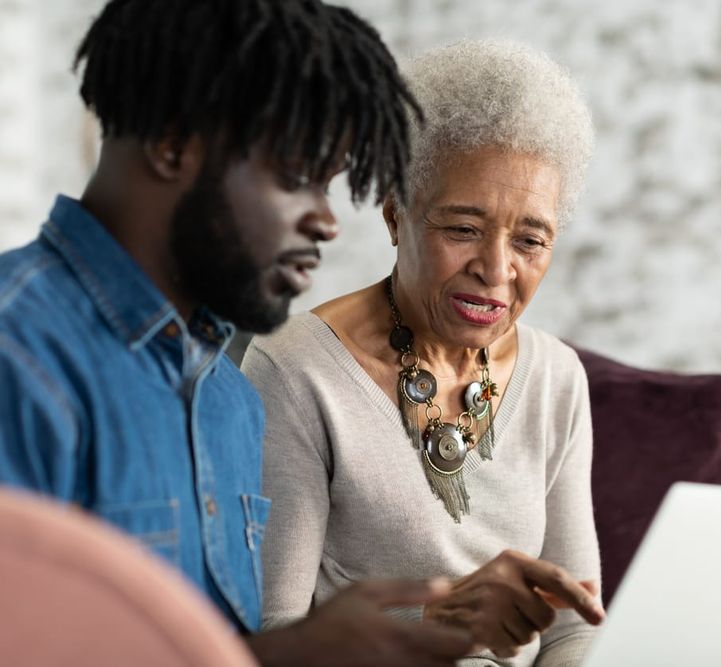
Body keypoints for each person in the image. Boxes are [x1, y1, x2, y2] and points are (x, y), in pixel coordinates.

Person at [0, 1, 473, 665]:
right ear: (174, 144)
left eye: (331, 184)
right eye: (298, 177)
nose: (326, 221)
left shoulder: (228, 396)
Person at [242, 39, 605, 666]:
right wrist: (440, 619)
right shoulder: (296, 370)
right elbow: (274, 639)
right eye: (462, 229)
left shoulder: (557, 379)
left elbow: (573, 629)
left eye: (530, 239)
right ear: (394, 214)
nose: (496, 269)